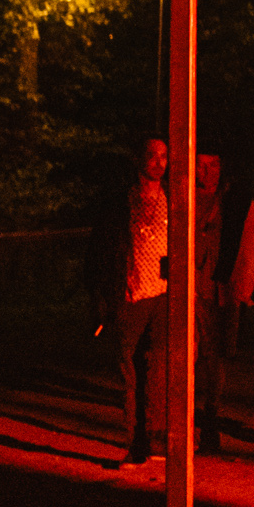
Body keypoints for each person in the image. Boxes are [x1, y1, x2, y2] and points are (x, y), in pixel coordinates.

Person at [101, 133, 169, 465]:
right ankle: (131, 439)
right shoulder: (122, 201)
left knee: (156, 367)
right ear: (140, 159)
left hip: (163, 293)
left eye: (164, 156)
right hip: (131, 293)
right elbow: (104, 247)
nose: (159, 162)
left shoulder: (173, 199)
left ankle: (154, 439)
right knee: (128, 369)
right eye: (153, 155)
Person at [194, 151, 254, 458]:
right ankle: (183, 415)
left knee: (216, 356)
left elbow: (246, 245)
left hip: (219, 287)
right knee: (188, 352)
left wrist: (243, 288)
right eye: (201, 165)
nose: (208, 172)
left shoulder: (235, 200)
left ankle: (211, 415)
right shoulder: (182, 196)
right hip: (189, 287)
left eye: (214, 164)